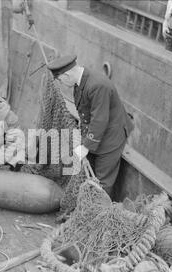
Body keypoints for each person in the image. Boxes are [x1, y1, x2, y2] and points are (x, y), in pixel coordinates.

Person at [47, 55, 134, 198]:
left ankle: (98, 214)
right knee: (90, 175)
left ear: (67, 75)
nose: (61, 83)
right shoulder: (80, 82)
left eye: (60, 80)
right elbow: (86, 114)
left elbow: (100, 120)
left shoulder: (98, 85)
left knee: (102, 181)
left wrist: (86, 146)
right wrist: (84, 141)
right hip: (96, 133)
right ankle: (90, 206)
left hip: (111, 136)